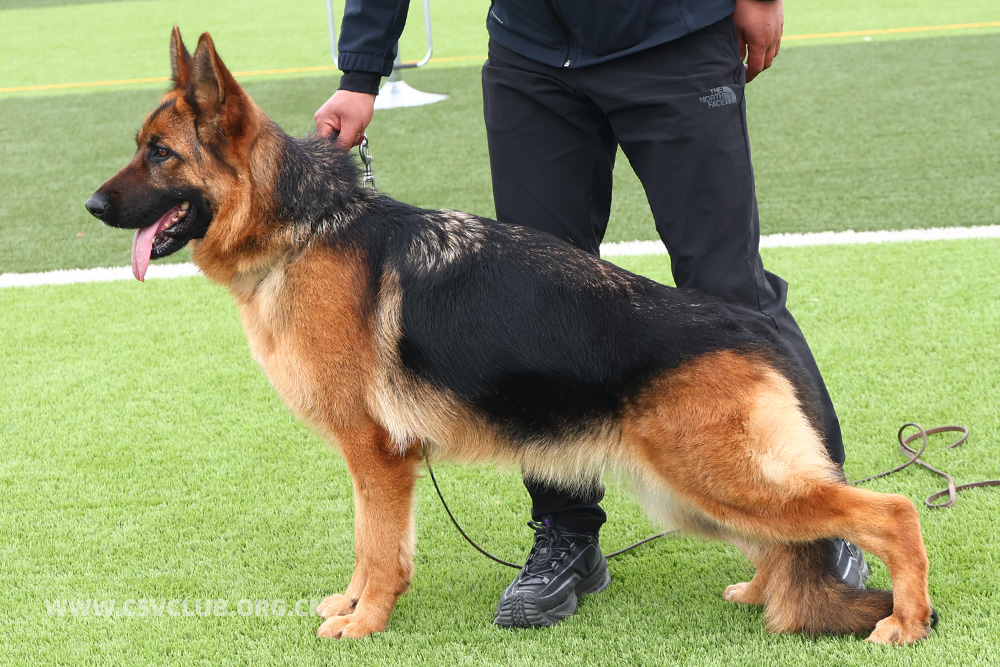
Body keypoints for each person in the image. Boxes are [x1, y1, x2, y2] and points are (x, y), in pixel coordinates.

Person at [314, 0, 868, 629]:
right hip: (533, 52)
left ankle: (823, 520)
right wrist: (360, 73)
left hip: (672, 36)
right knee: (535, 310)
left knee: (730, 287)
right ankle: (567, 533)